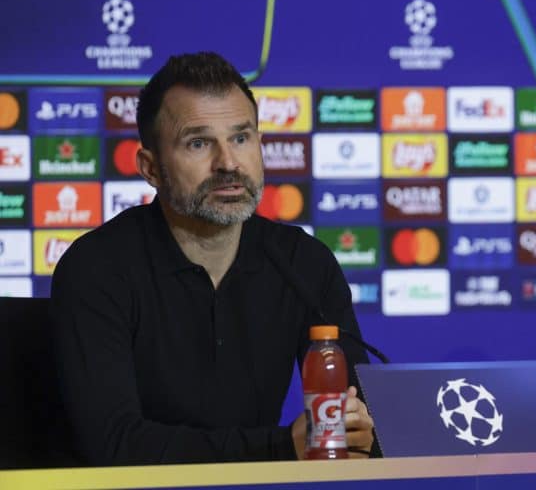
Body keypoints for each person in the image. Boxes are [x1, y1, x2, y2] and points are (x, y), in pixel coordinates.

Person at [51, 52, 376, 465]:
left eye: (241, 138)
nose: (228, 163)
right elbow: (112, 444)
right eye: (199, 143)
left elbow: (363, 420)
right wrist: (279, 448)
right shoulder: (97, 267)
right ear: (150, 168)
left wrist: (361, 429)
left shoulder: (303, 263)